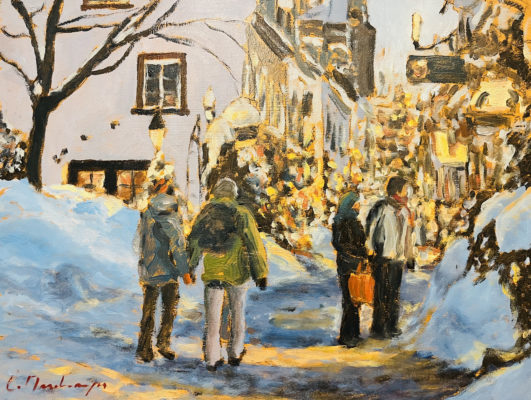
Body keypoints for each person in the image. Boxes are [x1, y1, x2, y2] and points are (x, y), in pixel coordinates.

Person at [188, 178, 268, 371]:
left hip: (213, 271)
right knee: (237, 313)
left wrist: (190, 266)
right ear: (234, 193)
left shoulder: (206, 213)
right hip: (237, 272)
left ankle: (212, 357)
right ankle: (235, 351)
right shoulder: (242, 213)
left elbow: (194, 242)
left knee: (212, 318)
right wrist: (260, 272)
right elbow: (254, 245)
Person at [134, 178, 191, 362]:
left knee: (148, 309)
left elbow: (138, 241)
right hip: (168, 269)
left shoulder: (147, 212)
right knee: (169, 308)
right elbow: (178, 244)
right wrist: (184, 271)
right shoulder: (171, 215)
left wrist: (145, 261)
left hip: (149, 268)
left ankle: (144, 348)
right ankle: (163, 343)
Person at [366, 176, 414, 338]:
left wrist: (409, 256)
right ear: (397, 190)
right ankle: (379, 327)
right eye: (405, 189)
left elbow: (407, 237)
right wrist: (370, 251)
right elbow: (370, 229)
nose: (407, 192)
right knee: (381, 293)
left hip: (397, 259)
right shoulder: (381, 207)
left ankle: (392, 326)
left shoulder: (405, 211)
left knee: (394, 294)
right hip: (382, 256)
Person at [332, 191, 367, 348]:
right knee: (349, 301)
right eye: (356, 203)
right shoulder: (340, 222)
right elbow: (340, 245)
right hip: (347, 266)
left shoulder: (356, 222)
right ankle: (347, 336)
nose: (358, 206)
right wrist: (355, 257)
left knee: (356, 300)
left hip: (357, 265)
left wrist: (365, 256)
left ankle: (354, 333)